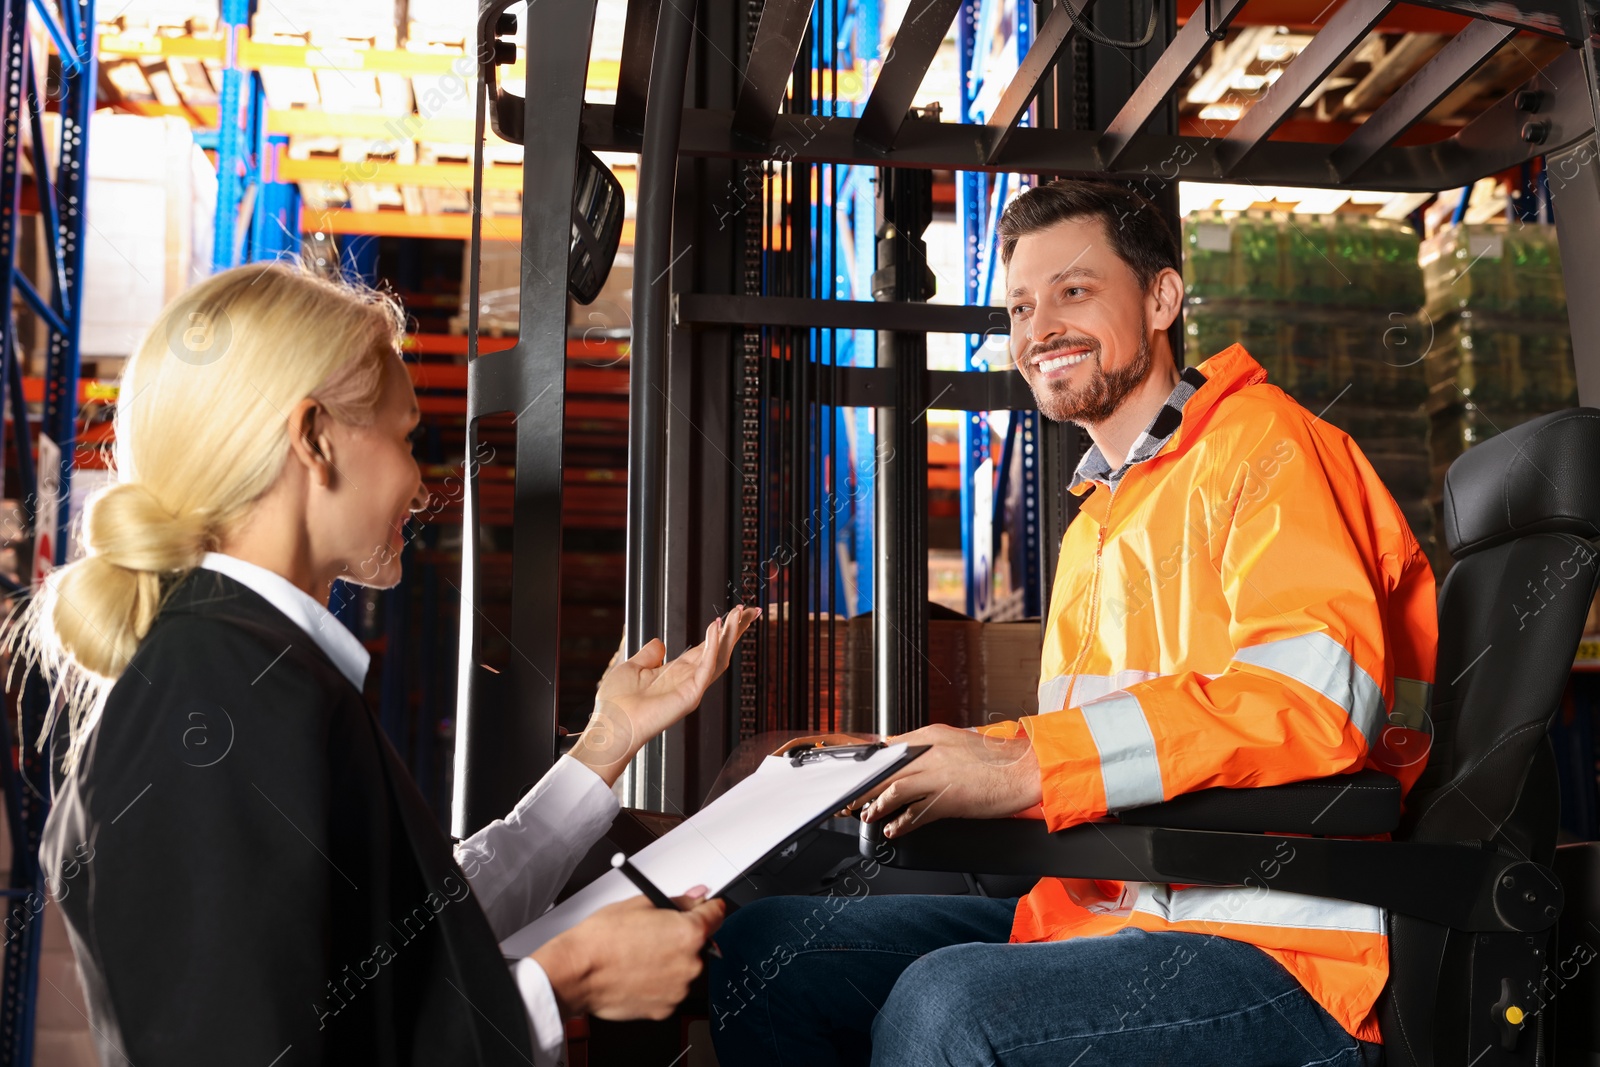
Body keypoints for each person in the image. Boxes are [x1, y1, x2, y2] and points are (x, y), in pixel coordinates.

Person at [709, 181, 1437, 1066]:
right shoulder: (1099, 518)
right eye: (1021, 304)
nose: (1039, 326)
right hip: (1110, 912)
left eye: (1074, 291)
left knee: (949, 1008)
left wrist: (1020, 763)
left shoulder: (1268, 448)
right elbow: (1096, 735)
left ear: (1162, 298)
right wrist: (905, 757)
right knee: (768, 948)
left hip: (1274, 949)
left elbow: (1310, 701)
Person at [10, 261, 759, 1066]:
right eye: (406, 438)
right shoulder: (214, 697)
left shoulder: (247, 669)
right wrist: (560, 983)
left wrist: (604, 745)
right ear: (315, 438)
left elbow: (410, 937)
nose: (418, 480)